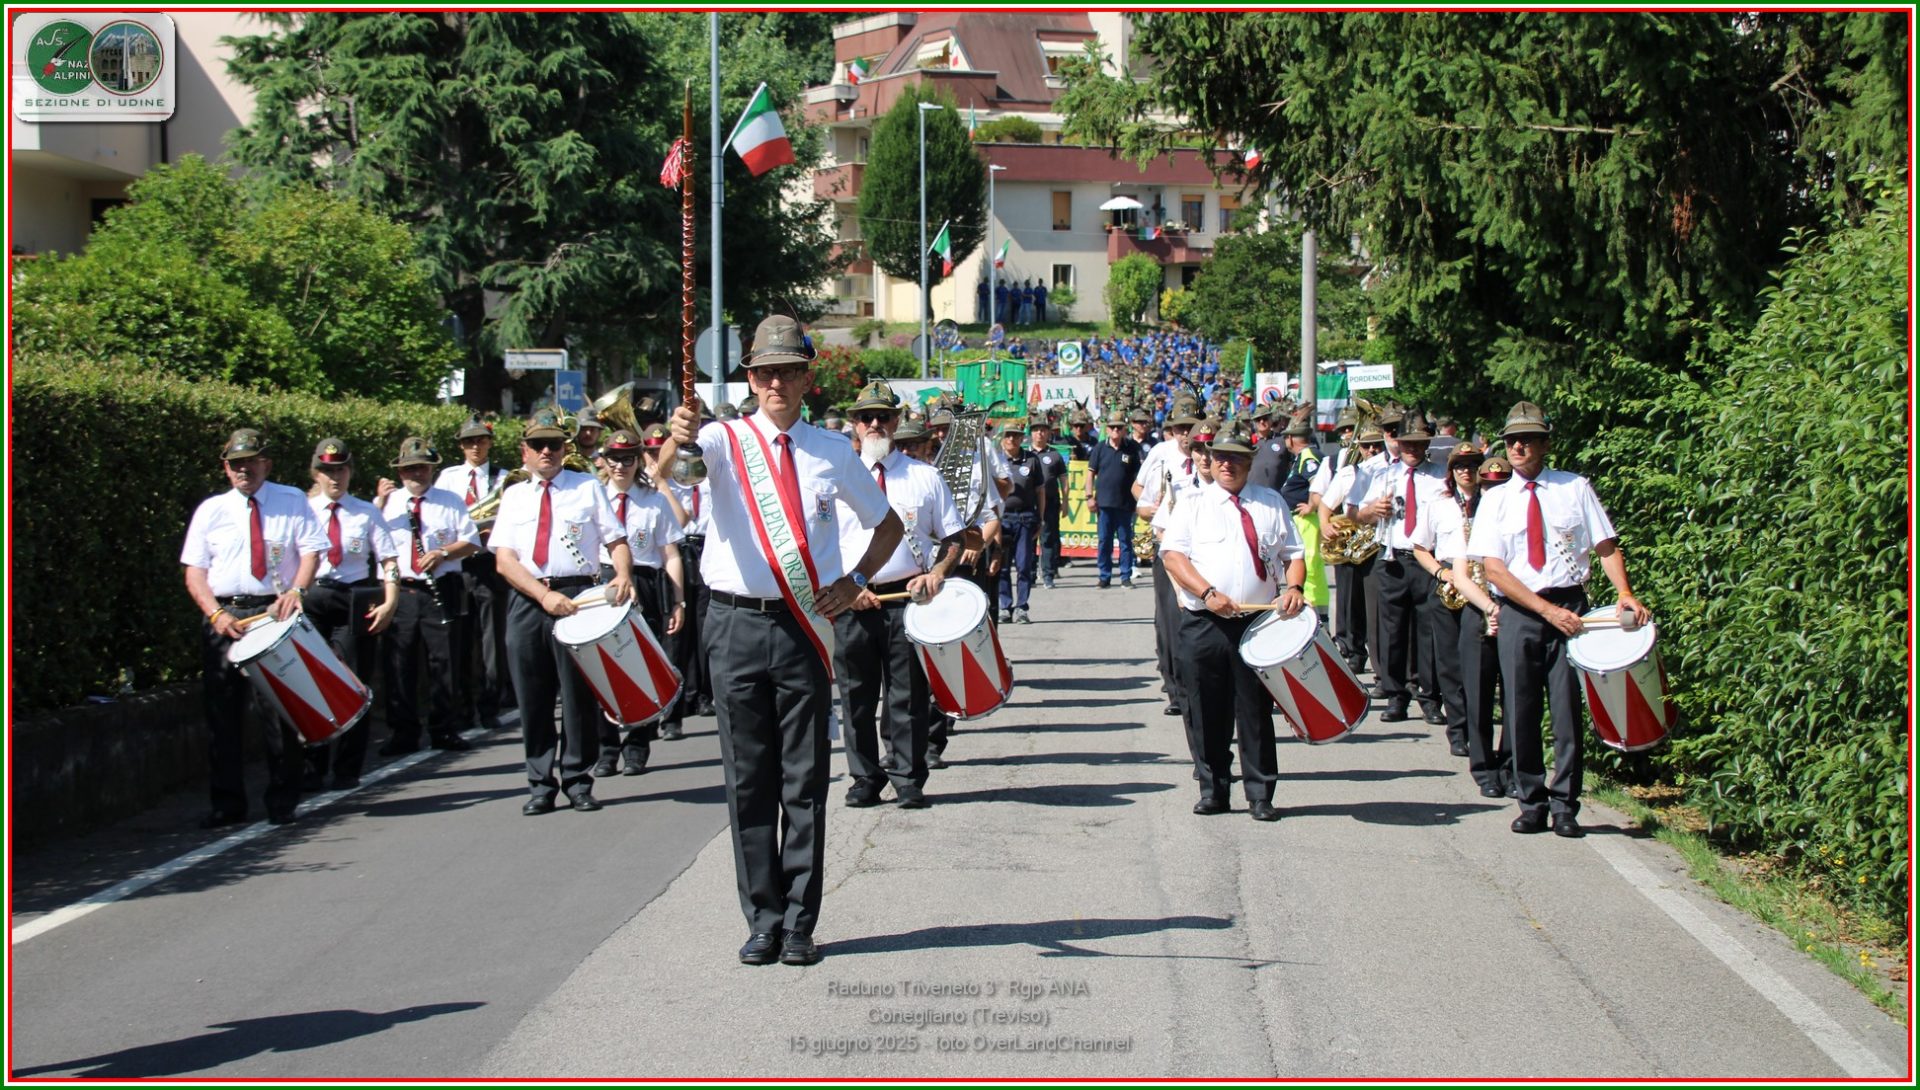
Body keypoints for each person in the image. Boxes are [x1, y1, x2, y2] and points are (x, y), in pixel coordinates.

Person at [660, 315, 903, 967]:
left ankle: (799, 922)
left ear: (805, 378)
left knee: (804, 777)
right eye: (764, 372)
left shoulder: (832, 450)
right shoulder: (721, 439)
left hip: (803, 627)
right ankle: (762, 920)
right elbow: (673, 475)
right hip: (733, 624)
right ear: (751, 379)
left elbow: (887, 526)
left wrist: (854, 581)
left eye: (787, 371)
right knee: (748, 779)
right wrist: (675, 440)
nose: (775, 383)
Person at [1468, 403, 1650, 838]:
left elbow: (1605, 547)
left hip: (1571, 606)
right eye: (1511, 440)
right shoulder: (1495, 499)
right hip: (1521, 611)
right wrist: (1545, 611)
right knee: (1520, 710)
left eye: (1527, 439)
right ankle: (1531, 802)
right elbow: (1494, 570)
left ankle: (1565, 804)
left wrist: (1625, 593)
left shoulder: (1574, 488)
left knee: (1567, 711)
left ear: (1545, 444)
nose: (1517, 447)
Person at [490, 408, 635, 816]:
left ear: (564, 448)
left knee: (577, 697)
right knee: (532, 697)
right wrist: (542, 596)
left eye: (553, 444)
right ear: (525, 451)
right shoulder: (514, 495)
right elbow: (504, 560)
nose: (546, 452)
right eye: (538, 445)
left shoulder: (586, 486)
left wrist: (623, 573)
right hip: (529, 598)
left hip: (577, 596)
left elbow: (616, 540)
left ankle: (577, 780)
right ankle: (540, 784)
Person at [1159, 424, 1306, 822]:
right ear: (1210, 459)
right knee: (1206, 710)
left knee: (1255, 711)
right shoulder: (1193, 503)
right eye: (1221, 456)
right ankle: (1214, 790)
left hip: (1256, 623)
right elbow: (1173, 556)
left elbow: (1294, 553)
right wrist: (1207, 592)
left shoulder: (1270, 502)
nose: (1227, 464)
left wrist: (1294, 587)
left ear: (1250, 461)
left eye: (1237, 457)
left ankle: (1260, 794)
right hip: (1205, 621)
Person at [180, 428, 327, 827]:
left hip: (272, 613)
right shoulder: (211, 510)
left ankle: (282, 800)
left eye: (251, 462)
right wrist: (215, 614)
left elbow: (312, 552)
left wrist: (296, 591)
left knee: (278, 712)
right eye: (236, 464)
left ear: (267, 464)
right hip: (225, 616)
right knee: (222, 714)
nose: (243, 470)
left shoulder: (291, 500)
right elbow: (195, 572)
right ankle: (227, 804)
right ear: (226, 469)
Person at [834, 387, 963, 810]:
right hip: (852, 602)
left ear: (895, 422)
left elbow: (954, 538)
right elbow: (818, 544)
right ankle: (864, 778)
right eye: (866, 417)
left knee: (907, 696)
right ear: (855, 424)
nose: (875, 424)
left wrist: (937, 573)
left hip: (907, 600)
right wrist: (846, 588)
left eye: (883, 417)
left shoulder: (924, 476)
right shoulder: (835, 477)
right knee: (856, 697)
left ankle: (907, 777)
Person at [377, 437, 482, 756]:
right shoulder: (387, 503)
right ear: (400, 472)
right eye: (410, 468)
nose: (417, 473)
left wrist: (443, 553)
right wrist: (378, 504)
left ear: (431, 469)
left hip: (441, 587)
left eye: (422, 467)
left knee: (444, 660)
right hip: (402, 590)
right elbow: (372, 544)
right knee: (400, 662)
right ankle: (403, 732)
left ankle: (444, 728)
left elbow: (472, 542)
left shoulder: (450, 501)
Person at [304, 438, 398, 790]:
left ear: (350, 472)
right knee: (312, 682)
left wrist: (390, 601)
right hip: (313, 598)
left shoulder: (366, 512)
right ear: (316, 473)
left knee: (354, 683)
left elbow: (389, 560)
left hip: (352, 599)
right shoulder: (303, 510)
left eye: (341, 469)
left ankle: (347, 769)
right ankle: (312, 766)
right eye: (328, 471)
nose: (335, 477)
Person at [595, 427, 687, 774]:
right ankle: (605, 750)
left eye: (627, 459)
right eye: (614, 459)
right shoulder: (593, 496)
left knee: (641, 667)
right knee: (602, 667)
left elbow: (670, 554)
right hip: (603, 581)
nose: (620, 466)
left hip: (645, 582)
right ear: (604, 461)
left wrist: (678, 602)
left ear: (637, 461)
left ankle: (637, 746)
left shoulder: (653, 500)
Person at [1348, 414, 1447, 723]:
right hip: (1393, 559)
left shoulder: (1440, 476)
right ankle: (1396, 696)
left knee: (1428, 631)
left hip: (1428, 560)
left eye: (1418, 444)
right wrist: (1372, 511)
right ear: (1398, 444)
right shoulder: (1383, 476)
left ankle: (1429, 697)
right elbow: (1356, 515)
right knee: (1392, 631)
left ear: (1426, 445)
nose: (1412, 449)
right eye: (1407, 443)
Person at [436, 416, 512, 731]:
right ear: (461, 446)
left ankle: (490, 705)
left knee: (492, 640)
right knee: (461, 640)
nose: (475, 446)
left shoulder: (504, 478)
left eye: (481, 440)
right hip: (457, 565)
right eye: (469, 441)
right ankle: (463, 708)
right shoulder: (448, 478)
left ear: (490, 442)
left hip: (489, 563)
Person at [1411, 444, 1484, 761]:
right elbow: (1420, 547)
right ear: (1451, 472)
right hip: (1448, 585)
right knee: (1450, 663)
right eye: (1460, 467)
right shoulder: (1438, 505)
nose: (1467, 471)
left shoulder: (1493, 502)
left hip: (1483, 584)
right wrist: (1441, 573)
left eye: (1473, 465)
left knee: (1480, 664)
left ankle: (1480, 730)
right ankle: (1458, 731)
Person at [1135, 407, 1203, 717]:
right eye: (1179, 428)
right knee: (1170, 619)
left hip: (1202, 550)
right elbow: (1141, 499)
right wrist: (1155, 511)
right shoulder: (1162, 456)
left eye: (1191, 427)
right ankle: (1176, 688)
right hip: (1169, 548)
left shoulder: (1210, 458)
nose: (1185, 434)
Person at [664, 425, 715, 720]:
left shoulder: (709, 476)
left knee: (704, 625)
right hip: (679, 549)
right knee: (680, 630)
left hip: (706, 547)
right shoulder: (671, 480)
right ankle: (682, 696)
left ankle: (705, 694)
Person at [1277, 417, 1329, 623]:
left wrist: (1311, 505)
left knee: (1309, 565)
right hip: (1302, 520)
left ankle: (1315, 612)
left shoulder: (1308, 456)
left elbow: (1319, 484)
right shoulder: (1304, 456)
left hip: (1307, 521)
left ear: (1291, 438)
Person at [996, 423, 1048, 623]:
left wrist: (1041, 518)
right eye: (1008, 435)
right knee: (1002, 566)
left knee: (1024, 565)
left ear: (1021, 438)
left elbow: (1040, 491)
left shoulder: (1031, 460)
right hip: (1002, 519)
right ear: (1002, 438)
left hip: (1025, 518)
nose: (1011, 439)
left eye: (1016, 435)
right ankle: (1004, 606)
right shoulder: (997, 460)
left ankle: (1022, 607)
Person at [1084, 411, 1142, 589]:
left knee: (1126, 542)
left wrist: (1139, 500)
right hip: (1104, 504)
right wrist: (1089, 497)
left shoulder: (1131, 448)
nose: (1115, 430)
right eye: (1112, 427)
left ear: (1124, 429)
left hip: (1125, 504)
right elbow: (1090, 474)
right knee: (1104, 542)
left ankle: (1125, 576)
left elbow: (1138, 478)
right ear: (1107, 429)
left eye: (1119, 427)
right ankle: (1104, 576)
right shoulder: (1099, 448)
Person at [1028, 419, 1069, 588]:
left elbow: (1064, 480)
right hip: (1029, 504)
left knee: (1048, 539)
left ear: (1049, 433)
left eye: (1043, 430)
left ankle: (1048, 575)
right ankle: (1029, 576)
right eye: (1036, 430)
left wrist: (1065, 502)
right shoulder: (1025, 454)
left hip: (1050, 503)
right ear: (1031, 433)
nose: (1040, 433)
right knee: (1029, 540)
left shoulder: (1055, 455)